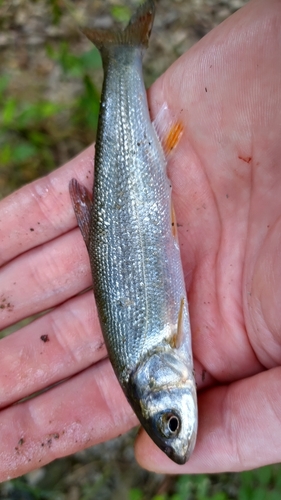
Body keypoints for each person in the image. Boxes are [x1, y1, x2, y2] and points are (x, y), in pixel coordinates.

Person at [0, 0, 280, 481]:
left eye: (171, 421)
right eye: (173, 424)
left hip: (128, 212)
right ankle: (121, 59)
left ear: (152, 387)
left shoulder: (157, 347)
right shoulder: (155, 352)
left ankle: (121, 59)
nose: (181, 424)